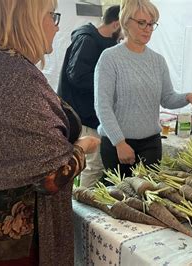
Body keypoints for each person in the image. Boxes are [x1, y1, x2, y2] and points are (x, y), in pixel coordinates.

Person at [0, 1, 100, 265]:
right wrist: (83, 147)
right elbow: (50, 178)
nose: (56, 25)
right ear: (27, 19)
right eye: (51, 15)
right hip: (17, 243)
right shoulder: (13, 78)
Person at [94, 0, 192, 178]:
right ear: (125, 21)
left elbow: (167, 98)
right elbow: (103, 106)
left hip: (151, 145)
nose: (147, 29)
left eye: (151, 23)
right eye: (141, 23)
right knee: (120, 201)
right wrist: (119, 142)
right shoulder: (110, 58)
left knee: (148, 202)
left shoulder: (157, 61)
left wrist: (187, 97)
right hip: (119, 146)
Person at [58, 5, 121, 188]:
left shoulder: (104, 43)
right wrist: (108, 85)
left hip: (90, 115)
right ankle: (84, 209)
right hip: (82, 116)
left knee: (93, 165)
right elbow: (77, 75)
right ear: (116, 24)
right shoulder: (88, 40)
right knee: (93, 166)